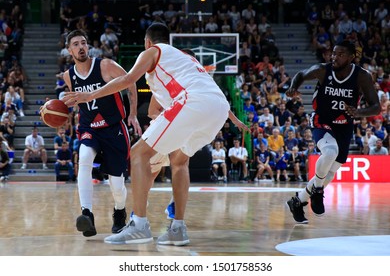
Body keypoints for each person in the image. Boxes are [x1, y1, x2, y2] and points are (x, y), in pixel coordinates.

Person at [62, 23, 248, 245]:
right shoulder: (184, 60)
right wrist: (234, 119)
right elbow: (196, 97)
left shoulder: (153, 51)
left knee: (139, 153)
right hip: (218, 109)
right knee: (179, 162)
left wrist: (89, 95)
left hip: (193, 102)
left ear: (148, 42)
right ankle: (178, 228)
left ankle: (139, 224)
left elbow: (128, 80)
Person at [286, 40, 380, 224]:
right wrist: (293, 87)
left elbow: (376, 107)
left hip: (344, 125)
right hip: (322, 120)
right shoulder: (323, 70)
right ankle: (318, 191)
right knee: (330, 152)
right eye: (333, 53)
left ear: (352, 57)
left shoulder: (362, 76)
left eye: (340, 54)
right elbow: (300, 74)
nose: (334, 57)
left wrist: (359, 112)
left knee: (331, 171)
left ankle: (297, 201)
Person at [60, 29, 141, 237]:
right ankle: (87, 214)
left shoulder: (105, 65)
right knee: (84, 158)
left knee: (117, 184)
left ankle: (119, 212)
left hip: (114, 127)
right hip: (89, 128)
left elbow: (130, 81)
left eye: (84, 43)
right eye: (76, 44)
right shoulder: (69, 76)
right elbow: (77, 102)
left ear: (88, 46)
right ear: (69, 50)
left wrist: (132, 114)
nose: (81, 47)